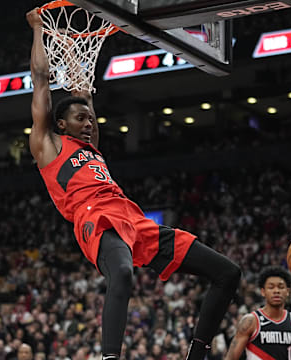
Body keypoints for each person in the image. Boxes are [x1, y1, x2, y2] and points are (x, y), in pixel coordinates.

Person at [26, 8, 241, 360]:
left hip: (133, 218)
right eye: (80, 118)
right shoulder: (48, 146)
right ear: (60, 124)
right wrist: (39, 30)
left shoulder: (89, 145)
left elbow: (82, 88)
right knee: (122, 273)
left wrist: (68, 45)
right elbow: (41, 81)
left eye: (91, 119)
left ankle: (197, 354)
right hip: (94, 217)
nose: (88, 123)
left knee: (228, 272)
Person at [225, 266, 291, 360]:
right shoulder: (251, 321)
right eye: (271, 287)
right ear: (263, 292)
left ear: (287, 291)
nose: (276, 291)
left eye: (281, 287)